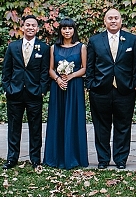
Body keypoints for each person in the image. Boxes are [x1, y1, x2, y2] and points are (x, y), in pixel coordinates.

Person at [85, 8, 136, 169]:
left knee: (123, 126)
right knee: (101, 126)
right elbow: (90, 65)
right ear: (105, 21)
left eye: (116, 18)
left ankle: (121, 159)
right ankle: (103, 159)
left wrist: (134, 85)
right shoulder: (95, 41)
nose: (113, 21)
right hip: (100, 90)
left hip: (125, 90)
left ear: (121, 21)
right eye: (110, 18)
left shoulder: (131, 40)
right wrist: (91, 85)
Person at [1, 14, 51, 170]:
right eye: (27, 25)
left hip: (34, 93)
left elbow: (45, 72)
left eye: (33, 25)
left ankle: (35, 158)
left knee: (35, 128)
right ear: (22, 27)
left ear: (37, 28)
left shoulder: (43, 48)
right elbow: (6, 70)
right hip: (15, 93)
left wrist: (42, 90)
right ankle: (12, 158)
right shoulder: (13, 47)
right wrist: (7, 88)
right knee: (14, 127)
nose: (30, 27)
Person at [44, 18, 89, 169]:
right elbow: (50, 69)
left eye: (70, 28)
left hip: (75, 87)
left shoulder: (81, 47)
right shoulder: (53, 48)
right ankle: (55, 157)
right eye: (64, 28)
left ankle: (74, 157)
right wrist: (58, 79)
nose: (67, 31)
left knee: (73, 119)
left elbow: (84, 68)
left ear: (74, 30)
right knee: (58, 119)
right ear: (60, 30)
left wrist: (70, 76)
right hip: (58, 87)